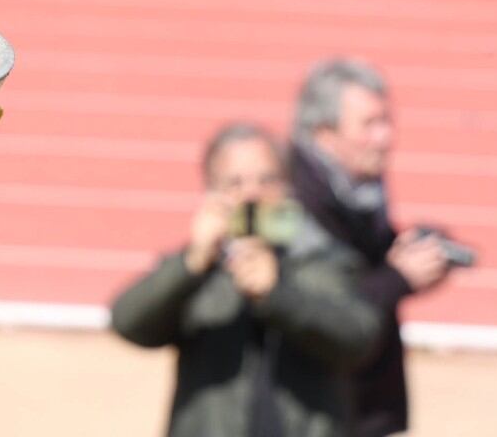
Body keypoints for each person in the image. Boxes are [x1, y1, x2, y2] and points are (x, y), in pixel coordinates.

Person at [112, 123, 380, 437]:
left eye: (267, 180)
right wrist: (190, 266)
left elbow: (358, 338)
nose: (252, 193)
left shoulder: (320, 257)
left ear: (287, 187)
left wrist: (278, 295)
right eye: (234, 182)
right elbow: (129, 322)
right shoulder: (200, 266)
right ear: (211, 193)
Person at [291, 61, 459, 437]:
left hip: (365, 400)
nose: (386, 137)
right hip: (322, 408)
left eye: (386, 122)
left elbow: (366, 262)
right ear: (324, 133)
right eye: (369, 125)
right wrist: (399, 277)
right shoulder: (293, 200)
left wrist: (413, 254)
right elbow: (318, 308)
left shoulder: (356, 182)